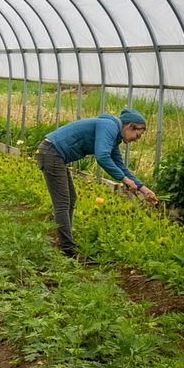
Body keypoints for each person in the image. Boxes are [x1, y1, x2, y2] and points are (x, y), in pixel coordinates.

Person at [36, 108, 159, 257]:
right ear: (130, 126)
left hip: (55, 155)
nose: (136, 139)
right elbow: (102, 157)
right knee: (62, 203)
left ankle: (66, 243)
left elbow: (120, 165)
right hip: (52, 153)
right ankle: (68, 250)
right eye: (137, 135)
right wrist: (125, 180)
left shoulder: (113, 135)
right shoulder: (109, 126)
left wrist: (143, 189)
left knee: (70, 199)